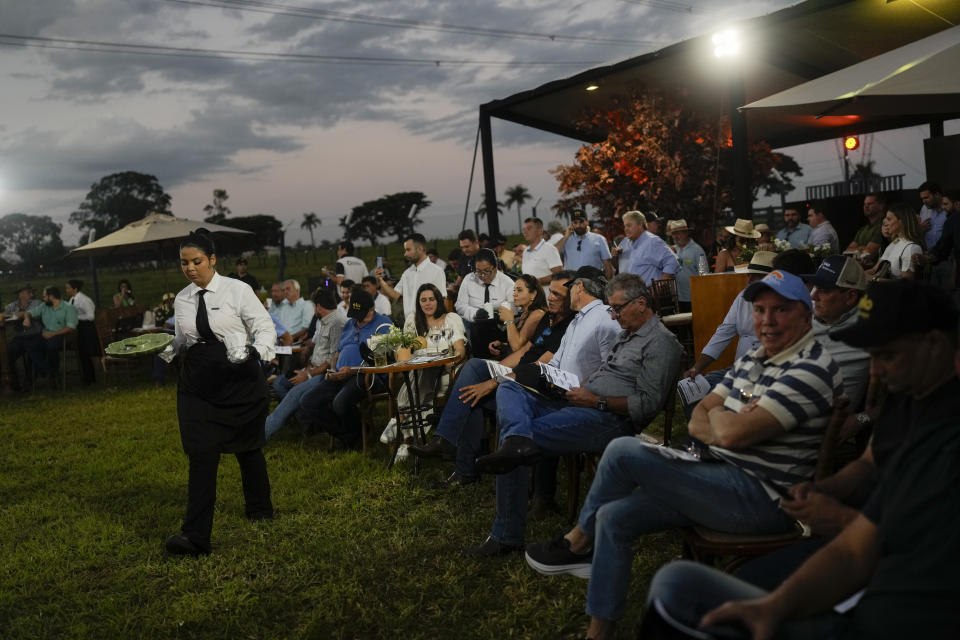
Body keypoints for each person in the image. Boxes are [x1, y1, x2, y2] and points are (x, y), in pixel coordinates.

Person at [525, 269, 841, 640]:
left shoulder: (810, 368)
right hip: (720, 475)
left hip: (760, 500)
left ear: (807, 314)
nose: (767, 321)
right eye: (759, 310)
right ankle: (599, 632)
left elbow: (729, 430)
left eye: (781, 310)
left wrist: (723, 419)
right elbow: (700, 418)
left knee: (624, 449)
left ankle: (577, 542)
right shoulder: (758, 357)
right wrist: (727, 418)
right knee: (613, 515)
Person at [645, 280, 960, 640]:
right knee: (680, 583)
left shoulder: (946, 437)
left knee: (687, 601)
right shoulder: (909, 396)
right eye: (870, 356)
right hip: (846, 549)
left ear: (935, 345)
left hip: (893, 603)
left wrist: (839, 519)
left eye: (885, 355)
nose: (874, 371)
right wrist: (821, 489)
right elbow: (869, 463)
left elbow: (874, 547)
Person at [468, 273, 682, 558]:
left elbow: (645, 405)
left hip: (608, 420)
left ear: (641, 303)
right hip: (579, 402)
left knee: (514, 442)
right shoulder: (627, 333)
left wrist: (596, 399)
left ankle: (506, 535)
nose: (614, 316)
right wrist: (579, 387)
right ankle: (518, 440)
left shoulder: (661, 343)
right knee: (511, 385)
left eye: (617, 308)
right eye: (612, 309)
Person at [159, 229, 276, 556]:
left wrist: (257, 351)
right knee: (200, 453)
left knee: (248, 447)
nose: (190, 268)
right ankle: (195, 536)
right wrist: (161, 348)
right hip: (197, 383)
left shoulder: (238, 290)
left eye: (196, 261)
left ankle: (260, 509)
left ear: (212, 260)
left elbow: (264, 327)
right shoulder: (182, 299)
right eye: (184, 263)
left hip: (237, 375)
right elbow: (183, 340)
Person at [409, 270, 576, 485]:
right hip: (517, 376)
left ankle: (450, 444)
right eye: (550, 292)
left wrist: (494, 381)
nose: (551, 297)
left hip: (531, 390)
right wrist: (497, 369)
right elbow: (524, 352)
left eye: (557, 295)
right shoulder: (549, 319)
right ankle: (458, 460)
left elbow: (537, 365)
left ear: (572, 297)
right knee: (472, 384)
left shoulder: (565, 327)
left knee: (473, 387)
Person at [292, 289, 393, 449]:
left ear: (372, 310)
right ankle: (353, 435)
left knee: (340, 402)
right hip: (340, 374)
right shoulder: (351, 324)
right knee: (308, 402)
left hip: (368, 376)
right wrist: (333, 369)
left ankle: (355, 439)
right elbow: (337, 352)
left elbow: (381, 361)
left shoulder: (383, 325)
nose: (357, 321)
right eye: (355, 316)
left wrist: (352, 370)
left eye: (361, 317)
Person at [680, 251, 776, 415]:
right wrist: (697, 367)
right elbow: (724, 332)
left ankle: (720, 435)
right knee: (693, 393)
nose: (749, 281)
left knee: (727, 404)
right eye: (749, 276)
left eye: (756, 277)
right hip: (737, 369)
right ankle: (697, 439)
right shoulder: (743, 297)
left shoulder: (783, 306)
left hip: (763, 373)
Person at [386, 284, 467, 458]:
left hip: (446, 372)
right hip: (421, 371)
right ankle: (408, 441)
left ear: (438, 301)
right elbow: (403, 349)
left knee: (422, 378)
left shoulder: (450, 319)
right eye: (423, 300)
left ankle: (400, 427)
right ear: (418, 302)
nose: (428, 303)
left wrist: (451, 362)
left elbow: (460, 350)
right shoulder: (414, 321)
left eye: (432, 299)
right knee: (422, 375)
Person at [265, 289, 347, 440]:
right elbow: (315, 347)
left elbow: (332, 360)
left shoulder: (337, 323)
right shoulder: (322, 320)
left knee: (292, 395)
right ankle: (307, 424)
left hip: (325, 374)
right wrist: (307, 365)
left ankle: (262, 434)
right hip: (313, 368)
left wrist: (308, 375)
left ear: (318, 307)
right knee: (280, 383)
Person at [801, 255, 871, 411]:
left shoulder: (870, 332)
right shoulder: (804, 314)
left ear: (850, 297)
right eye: (815, 286)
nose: (813, 295)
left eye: (823, 290)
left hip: (825, 424)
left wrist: (862, 419)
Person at [454, 248, 515, 358]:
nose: (482, 275)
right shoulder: (469, 280)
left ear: (495, 268)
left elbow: (515, 309)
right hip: (476, 328)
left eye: (486, 271)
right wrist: (475, 313)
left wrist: (500, 315)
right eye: (478, 271)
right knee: (476, 329)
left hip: (500, 328)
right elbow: (459, 306)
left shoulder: (507, 283)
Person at [376, 233, 447, 319]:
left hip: (430, 326)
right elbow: (396, 295)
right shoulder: (407, 273)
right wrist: (380, 280)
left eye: (408, 250)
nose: (405, 254)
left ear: (420, 249)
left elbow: (443, 299)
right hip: (410, 326)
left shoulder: (436, 271)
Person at [24, 286, 78, 385]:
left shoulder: (68, 307)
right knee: (30, 345)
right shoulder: (44, 306)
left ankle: (51, 372)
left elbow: (71, 327)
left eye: (45, 296)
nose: (43, 299)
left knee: (51, 345)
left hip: (62, 334)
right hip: (46, 333)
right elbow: (28, 312)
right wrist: (27, 318)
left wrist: (52, 334)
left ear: (51, 296)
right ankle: (50, 370)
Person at [490, 274, 547, 359]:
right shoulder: (523, 314)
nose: (514, 294)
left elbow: (517, 347)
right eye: (514, 290)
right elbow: (523, 344)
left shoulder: (537, 313)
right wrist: (502, 346)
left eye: (519, 290)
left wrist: (509, 320)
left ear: (533, 294)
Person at [613, 210, 679, 285]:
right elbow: (620, 267)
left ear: (640, 225)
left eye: (629, 225)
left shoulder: (653, 241)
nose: (625, 229)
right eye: (625, 226)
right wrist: (614, 258)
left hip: (648, 294)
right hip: (628, 294)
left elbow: (672, 262)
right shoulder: (624, 243)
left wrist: (661, 286)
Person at [2, 285, 44, 390]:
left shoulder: (37, 303)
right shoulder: (12, 305)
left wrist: (18, 315)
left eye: (32, 292)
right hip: (20, 337)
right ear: (20, 294)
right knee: (7, 354)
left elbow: (32, 313)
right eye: (28, 292)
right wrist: (18, 315)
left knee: (33, 350)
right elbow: (2, 315)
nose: (32, 294)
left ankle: (30, 382)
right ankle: (14, 383)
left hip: (35, 335)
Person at [867, 202, 923, 280]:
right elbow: (874, 270)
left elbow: (906, 285)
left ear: (902, 221)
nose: (885, 223)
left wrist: (874, 279)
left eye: (889, 219)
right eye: (886, 218)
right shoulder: (894, 244)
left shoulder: (912, 248)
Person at [554, 211, 614, 278]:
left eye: (581, 222)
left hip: (594, 283)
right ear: (571, 224)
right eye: (575, 223)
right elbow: (553, 252)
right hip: (571, 283)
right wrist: (565, 237)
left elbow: (607, 265)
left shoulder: (599, 239)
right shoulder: (566, 240)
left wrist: (607, 285)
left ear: (587, 222)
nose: (578, 225)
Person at [668, 219, 705, 313]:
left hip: (693, 298)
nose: (675, 236)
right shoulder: (671, 250)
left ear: (686, 233)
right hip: (676, 299)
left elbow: (704, 274)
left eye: (678, 233)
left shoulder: (697, 250)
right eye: (673, 234)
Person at [65, 279, 97, 385]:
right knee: (82, 354)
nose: (66, 290)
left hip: (87, 328)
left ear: (75, 289)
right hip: (80, 329)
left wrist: (76, 317)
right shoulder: (72, 300)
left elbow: (91, 316)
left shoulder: (84, 300)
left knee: (86, 353)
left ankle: (90, 378)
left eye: (68, 288)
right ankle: (87, 377)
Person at [521, 217, 564, 291]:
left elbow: (559, 274)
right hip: (530, 299)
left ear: (540, 231)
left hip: (546, 299)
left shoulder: (549, 249)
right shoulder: (525, 251)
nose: (525, 232)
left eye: (529, 228)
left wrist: (537, 281)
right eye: (524, 229)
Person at [846, 192, 886, 265]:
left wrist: (858, 249)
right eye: (864, 204)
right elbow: (847, 251)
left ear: (881, 206)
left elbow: (869, 253)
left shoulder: (884, 226)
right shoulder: (862, 229)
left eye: (870, 204)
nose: (866, 206)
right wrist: (862, 248)